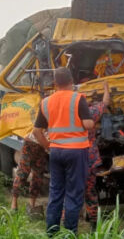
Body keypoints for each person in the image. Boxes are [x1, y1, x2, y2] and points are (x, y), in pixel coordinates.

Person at [33, 67, 94, 236]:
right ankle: (69, 233)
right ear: (71, 81)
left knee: (56, 192)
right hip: (76, 152)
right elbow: (88, 124)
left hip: (56, 151)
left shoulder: (46, 102)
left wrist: (47, 146)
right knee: (74, 194)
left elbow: (36, 131)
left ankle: (52, 233)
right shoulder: (78, 99)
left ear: (55, 83)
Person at [85, 81, 110, 228]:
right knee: (90, 191)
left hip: (73, 157)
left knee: (71, 192)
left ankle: (67, 226)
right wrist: (106, 88)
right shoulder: (91, 113)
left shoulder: (69, 114)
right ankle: (94, 223)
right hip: (89, 158)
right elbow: (105, 102)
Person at [10, 132, 48, 216]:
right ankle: (14, 204)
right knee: (22, 174)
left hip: (41, 148)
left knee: (37, 178)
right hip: (29, 145)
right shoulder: (38, 119)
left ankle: (32, 206)